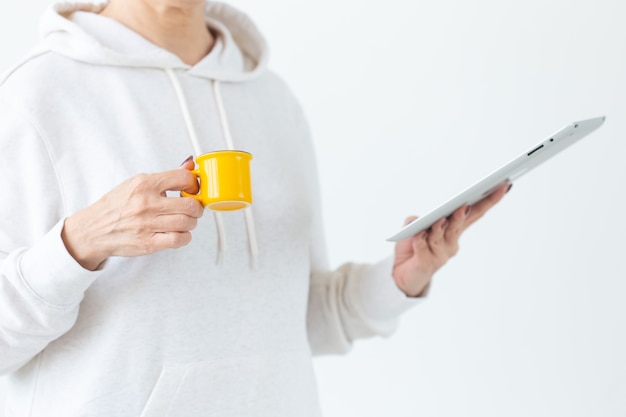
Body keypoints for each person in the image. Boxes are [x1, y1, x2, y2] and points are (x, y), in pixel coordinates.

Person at [0, 1, 509, 416]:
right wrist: (77, 244)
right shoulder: (35, 95)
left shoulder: (271, 98)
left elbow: (305, 318)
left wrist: (399, 278)